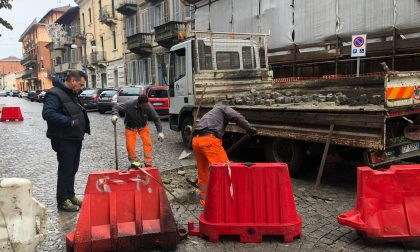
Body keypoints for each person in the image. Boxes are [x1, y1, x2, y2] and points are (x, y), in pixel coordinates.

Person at [42, 71, 90, 212]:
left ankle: (70, 195)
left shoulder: (71, 93)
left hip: (74, 137)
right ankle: (62, 200)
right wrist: (69, 122)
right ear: (73, 81)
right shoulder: (54, 93)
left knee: (73, 168)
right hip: (63, 138)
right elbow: (48, 113)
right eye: (81, 84)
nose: (82, 87)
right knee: (65, 169)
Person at [192, 103, 257, 205]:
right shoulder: (223, 108)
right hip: (209, 140)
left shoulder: (210, 113)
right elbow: (236, 116)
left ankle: (204, 200)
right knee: (226, 170)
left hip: (196, 140)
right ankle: (226, 200)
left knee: (203, 172)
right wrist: (249, 128)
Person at [111, 95, 164, 168]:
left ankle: (148, 163)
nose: (145, 107)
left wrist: (160, 132)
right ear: (139, 104)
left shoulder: (148, 106)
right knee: (130, 146)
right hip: (130, 127)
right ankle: (135, 163)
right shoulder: (129, 104)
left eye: (146, 105)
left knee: (148, 143)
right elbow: (116, 107)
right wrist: (115, 115)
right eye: (143, 105)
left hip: (143, 126)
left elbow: (156, 118)